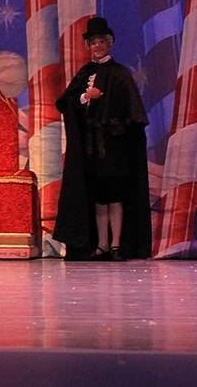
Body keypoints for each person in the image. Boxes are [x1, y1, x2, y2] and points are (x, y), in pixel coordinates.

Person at [52, 16, 152, 261]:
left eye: (101, 42)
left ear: (109, 43)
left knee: (115, 196)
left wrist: (119, 127)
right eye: (93, 43)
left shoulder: (120, 74)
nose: (97, 46)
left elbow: (133, 112)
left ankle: (117, 244)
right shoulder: (85, 73)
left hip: (115, 147)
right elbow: (68, 102)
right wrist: (87, 96)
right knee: (98, 199)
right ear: (88, 46)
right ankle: (102, 244)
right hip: (91, 149)